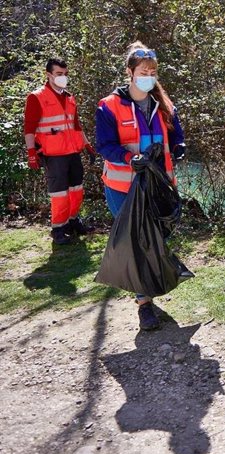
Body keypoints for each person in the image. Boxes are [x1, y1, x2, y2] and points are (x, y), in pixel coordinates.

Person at [95, 42, 186, 330]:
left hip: (157, 187)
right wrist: (128, 158)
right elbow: (105, 145)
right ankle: (144, 304)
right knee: (135, 243)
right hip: (124, 187)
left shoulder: (165, 105)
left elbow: (176, 137)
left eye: (153, 71)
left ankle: (154, 284)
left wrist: (180, 147)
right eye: (144, 70)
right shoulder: (108, 105)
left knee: (155, 239)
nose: (149, 75)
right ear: (130, 72)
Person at [23, 58, 96, 244]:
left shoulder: (69, 97)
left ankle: (72, 221)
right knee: (59, 193)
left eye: (65, 74)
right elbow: (29, 129)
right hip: (53, 155)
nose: (63, 77)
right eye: (58, 74)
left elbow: (77, 126)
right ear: (49, 75)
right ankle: (58, 229)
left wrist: (87, 145)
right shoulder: (36, 97)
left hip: (73, 152)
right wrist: (31, 152)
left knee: (76, 190)